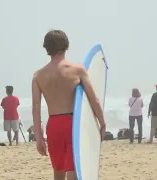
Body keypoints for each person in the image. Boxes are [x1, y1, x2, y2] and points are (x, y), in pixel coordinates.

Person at [32, 30, 106, 180]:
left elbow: (36, 109)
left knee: (58, 171)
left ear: (46, 48)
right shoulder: (77, 70)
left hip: (53, 125)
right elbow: (94, 100)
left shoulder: (38, 75)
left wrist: (38, 137)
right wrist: (102, 123)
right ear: (66, 45)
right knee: (73, 170)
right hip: (73, 124)